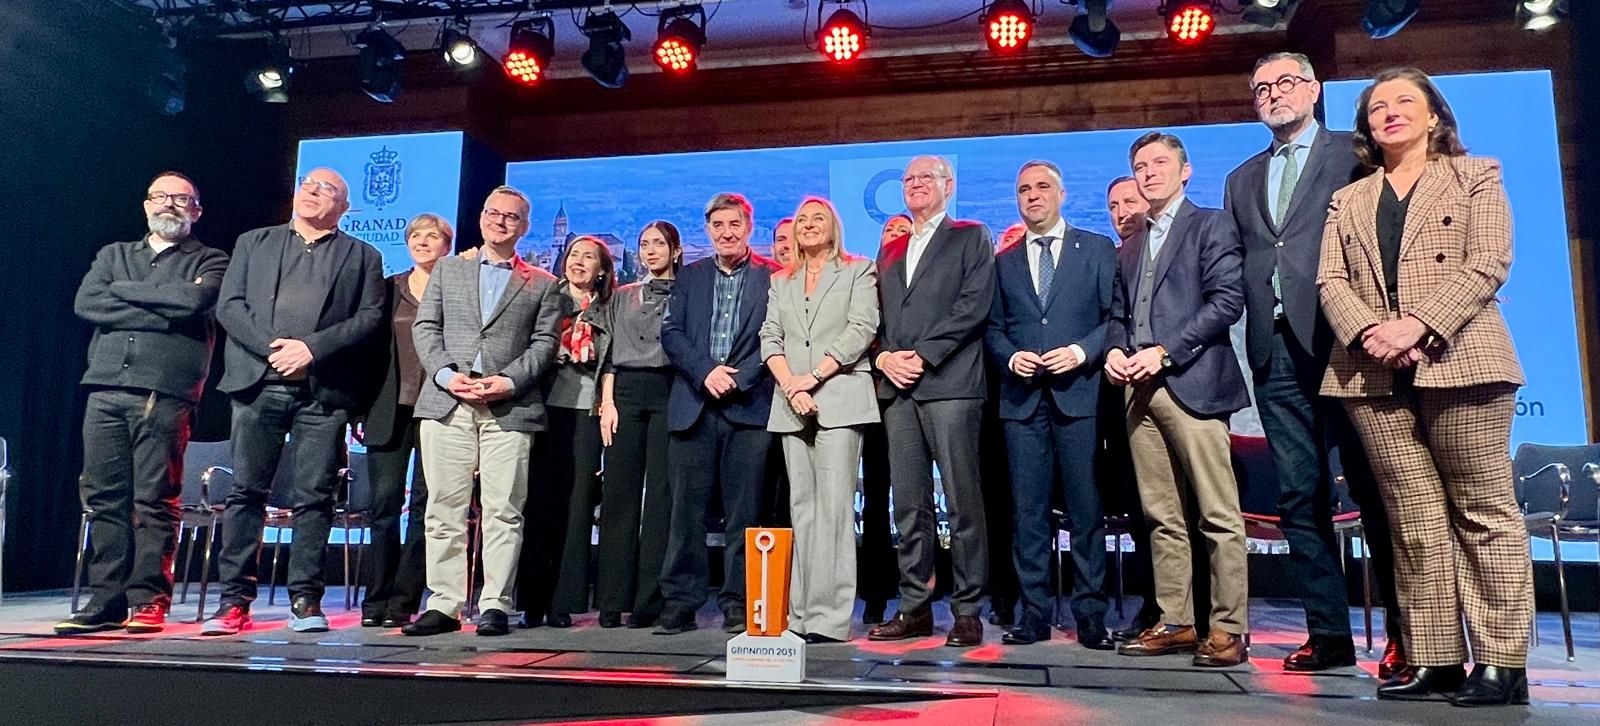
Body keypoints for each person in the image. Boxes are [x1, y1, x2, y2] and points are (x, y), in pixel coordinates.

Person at [1318, 67, 1531, 706]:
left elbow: (1489, 259)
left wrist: (1418, 326)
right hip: (1370, 368)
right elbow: (1330, 281)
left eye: (1404, 102)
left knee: (1484, 514)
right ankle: (1434, 657)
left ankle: (1501, 663)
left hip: (1462, 357)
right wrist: (1371, 334)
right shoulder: (1349, 197)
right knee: (1413, 521)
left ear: (1434, 115)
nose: (1390, 113)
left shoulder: (1476, 175)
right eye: (1377, 106)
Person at [1224, 51, 1403, 676]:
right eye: (1261, 87)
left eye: (1285, 83)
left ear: (1314, 88)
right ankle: (1327, 633)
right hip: (1273, 352)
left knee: (1377, 488)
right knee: (1300, 496)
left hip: (1346, 343)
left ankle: (1407, 635)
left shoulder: (1353, 154)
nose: (1273, 94)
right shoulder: (1241, 177)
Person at [203, 168, 384, 636]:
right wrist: (275, 350)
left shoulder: (363, 256)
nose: (313, 191)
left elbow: (369, 317)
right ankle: (233, 602)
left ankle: (305, 598)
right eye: (309, 184)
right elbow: (230, 306)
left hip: (323, 391)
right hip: (258, 382)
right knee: (246, 493)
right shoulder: (253, 242)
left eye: (328, 190)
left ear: (344, 208)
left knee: (315, 497)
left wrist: (312, 349)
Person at [57, 172, 229, 635]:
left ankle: (149, 599)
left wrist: (123, 290)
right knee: (103, 498)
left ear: (196, 211)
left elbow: (192, 302)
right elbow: (87, 303)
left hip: (166, 392)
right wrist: (161, 307)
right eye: (161, 197)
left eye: (181, 199)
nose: (170, 204)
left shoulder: (212, 260)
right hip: (105, 388)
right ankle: (106, 599)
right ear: (146, 205)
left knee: (154, 499)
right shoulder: (113, 254)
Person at [1106, 133, 1251, 667]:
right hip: (1138, 391)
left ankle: (1229, 627)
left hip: (1193, 383)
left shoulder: (1209, 224)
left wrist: (1166, 353)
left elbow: (1226, 302)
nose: (1148, 173)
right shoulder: (1132, 243)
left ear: (1185, 171)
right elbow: (1120, 313)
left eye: (1160, 163)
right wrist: (1116, 352)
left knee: (1217, 513)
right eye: (1140, 166)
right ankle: (1177, 619)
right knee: (1161, 515)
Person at [402, 186, 562, 637]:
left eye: (511, 217)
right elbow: (426, 327)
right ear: (481, 218)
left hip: (509, 407)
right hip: (448, 402)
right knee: (443, 509)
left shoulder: (542, 284)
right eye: (493, 213)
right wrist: (447, 375)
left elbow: (545, 343)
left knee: (504, 510)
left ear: (524, 226)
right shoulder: (449, 270)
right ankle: (445, 604)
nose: (501, 222)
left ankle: (495, 602)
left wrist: (509, 381)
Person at [985, 161, 1116, 649]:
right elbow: (993, 329)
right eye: (1023, 189)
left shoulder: (1097, 250)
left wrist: (1082, 351)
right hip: (1022, 403)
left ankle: (1090, 615)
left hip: (1078, 396)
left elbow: (1113, 317)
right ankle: (1034, 612)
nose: (1033, 196)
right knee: (1028, 513)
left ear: (1062, 194)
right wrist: (1011, 355)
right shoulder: (1005, 262)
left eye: (1042, 187)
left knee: (1086, 511)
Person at [869, 156, 995, 648]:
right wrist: (884, 359)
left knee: (963, 503)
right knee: (909, 506)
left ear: (948, 185)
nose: (917, 185)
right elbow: (874, 317)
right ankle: (915, 608)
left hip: (951, 384)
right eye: (909, 179)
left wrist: (920, 356)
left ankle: (967, 611)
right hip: (898, 390)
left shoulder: (971, 235)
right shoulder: (891, 250)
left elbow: (973, 305)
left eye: (927, 178)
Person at [654, 193, 782, 635]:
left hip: (750, 408)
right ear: (708, 230)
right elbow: (671, 333)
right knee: (684, 513)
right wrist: (706, 372)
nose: (726, 232)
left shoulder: (774, 278)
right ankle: (681, 602)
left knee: (745, 514)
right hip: (694, 405)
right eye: (718, 225)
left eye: (735, 224)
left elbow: (777, 338)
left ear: (749, 227)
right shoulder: (688, 277)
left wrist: (738, 378)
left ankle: (738, 601)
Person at [759, 196, 880, 644]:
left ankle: (830, 619)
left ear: (835, 227)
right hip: (791, 402)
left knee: (833, 511)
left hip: (840, 398)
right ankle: (800, 614)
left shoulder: (857, 270)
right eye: (803, 220)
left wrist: (812, 378)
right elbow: (770, 336)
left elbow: (861, 329)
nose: (809, 226)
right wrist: (792, 385)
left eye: (819, 219)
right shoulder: (780, 281)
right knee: (802, 511)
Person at [359, 214, 451, 628]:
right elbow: (369, 348)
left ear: (447, 245)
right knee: (383, 504)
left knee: (425, 508)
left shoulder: (455, 290)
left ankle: (404, 599)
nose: (423, 241)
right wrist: (359, 407)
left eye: (432, 236)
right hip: (388, 406)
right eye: (416, 235)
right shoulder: (388, 288)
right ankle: (375, 597)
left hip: (439, 407)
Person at [520, 235, 615, 628]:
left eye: (588, 257)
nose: (578, 262)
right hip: (541, 409)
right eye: (574, 255)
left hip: (585, 412)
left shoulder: (609, 309)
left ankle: (563, 599)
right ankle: (531, 600)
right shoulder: (545, 298)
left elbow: (614, 363)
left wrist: (607, 402)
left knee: (576, 508)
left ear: (602, 270)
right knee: (539, 505)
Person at [595, 222, 682, 629]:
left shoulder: (688, 293)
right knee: (619, 495)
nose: (650, 251)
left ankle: (651, 600)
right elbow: (609, 353)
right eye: (645, 244)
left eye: (659, 244)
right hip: (625, 394)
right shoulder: (623, 296)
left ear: (675, 250)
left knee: (662, 498)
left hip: (670, 391)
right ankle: (612, 599)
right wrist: (607, 402)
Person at [858, 213, 912, 625]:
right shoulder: (867, 284)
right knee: (877, 499)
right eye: (889, 232)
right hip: (876, 399)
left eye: (904, 232)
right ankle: (876, 593)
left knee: (919, 501)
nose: (896, 237)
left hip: (925, 392)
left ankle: (921, 591)